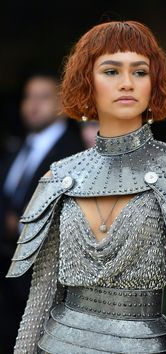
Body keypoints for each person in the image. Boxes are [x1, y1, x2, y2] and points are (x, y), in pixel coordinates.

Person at [6, 21, 166, 353]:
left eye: (141, 72)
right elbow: (39, 299)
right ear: (87, 81)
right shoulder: (59, 175)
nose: (127, 83)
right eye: (111, 71)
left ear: (154, 82)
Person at [0, 73, 84, 353]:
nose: (33, 104)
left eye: (43, 97)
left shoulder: (74, 152)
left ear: (62, 104)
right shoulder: (17, 148)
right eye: (28, 97)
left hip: (43, 277)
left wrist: (22, 224)